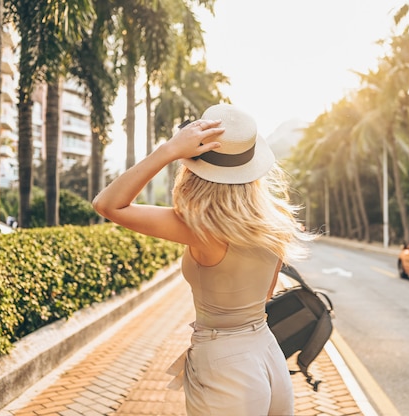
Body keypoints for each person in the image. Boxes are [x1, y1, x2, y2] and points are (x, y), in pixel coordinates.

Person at [92, 103, 310, 415]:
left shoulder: (202, 229)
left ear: (194, 168)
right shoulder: (275, 221)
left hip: (224, 363)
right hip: (268, 355)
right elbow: (265, 294)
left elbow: (108, 204)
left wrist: (168, 150)